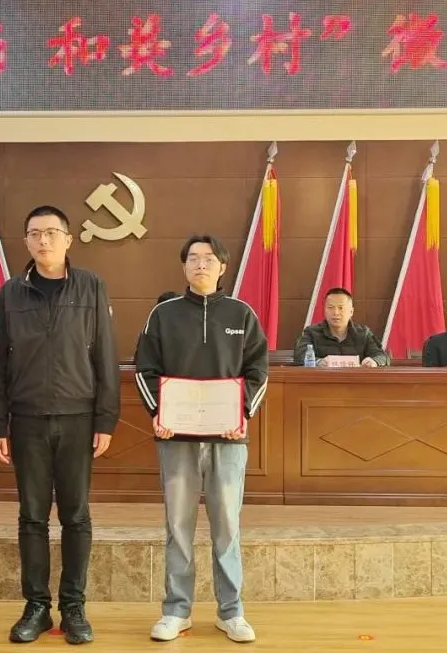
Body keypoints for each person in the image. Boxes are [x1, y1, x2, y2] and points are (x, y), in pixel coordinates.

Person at [0, 205, 120, 645]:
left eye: (51, 233)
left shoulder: (91, 286)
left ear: (68, 239)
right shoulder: (10, 293)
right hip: (26, 420)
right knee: (32, 517)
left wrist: (106, 418)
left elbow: (105, 357)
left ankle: (74, 607)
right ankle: (37, 606)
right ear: (25, 241)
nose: (43, 240)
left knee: (76, 516)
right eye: (35, 233)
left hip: (79, 418)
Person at [133, 234, 268, 644]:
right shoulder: (163, 314)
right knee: (178, 526)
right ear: (184, 266)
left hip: (229, 439)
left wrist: (242, 414)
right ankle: (177, 610)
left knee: (227, 526)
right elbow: (144, 369)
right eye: (193, 258)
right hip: (177, 439)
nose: (201, 264)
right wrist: (158, 413)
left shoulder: (242, 313)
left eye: (209, 258)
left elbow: (258, 370)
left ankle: (231, 611)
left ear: (223, 267)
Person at [292, 287, 388, 367]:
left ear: (351, 311)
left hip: (355, 382)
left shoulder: (364, 333)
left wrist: (374, 361)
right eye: (330, 307)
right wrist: (318, 362)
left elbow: (381, 356)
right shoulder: (311, 332)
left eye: (341, 308)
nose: (336, 312)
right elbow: (299, 355)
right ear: (324, 310)